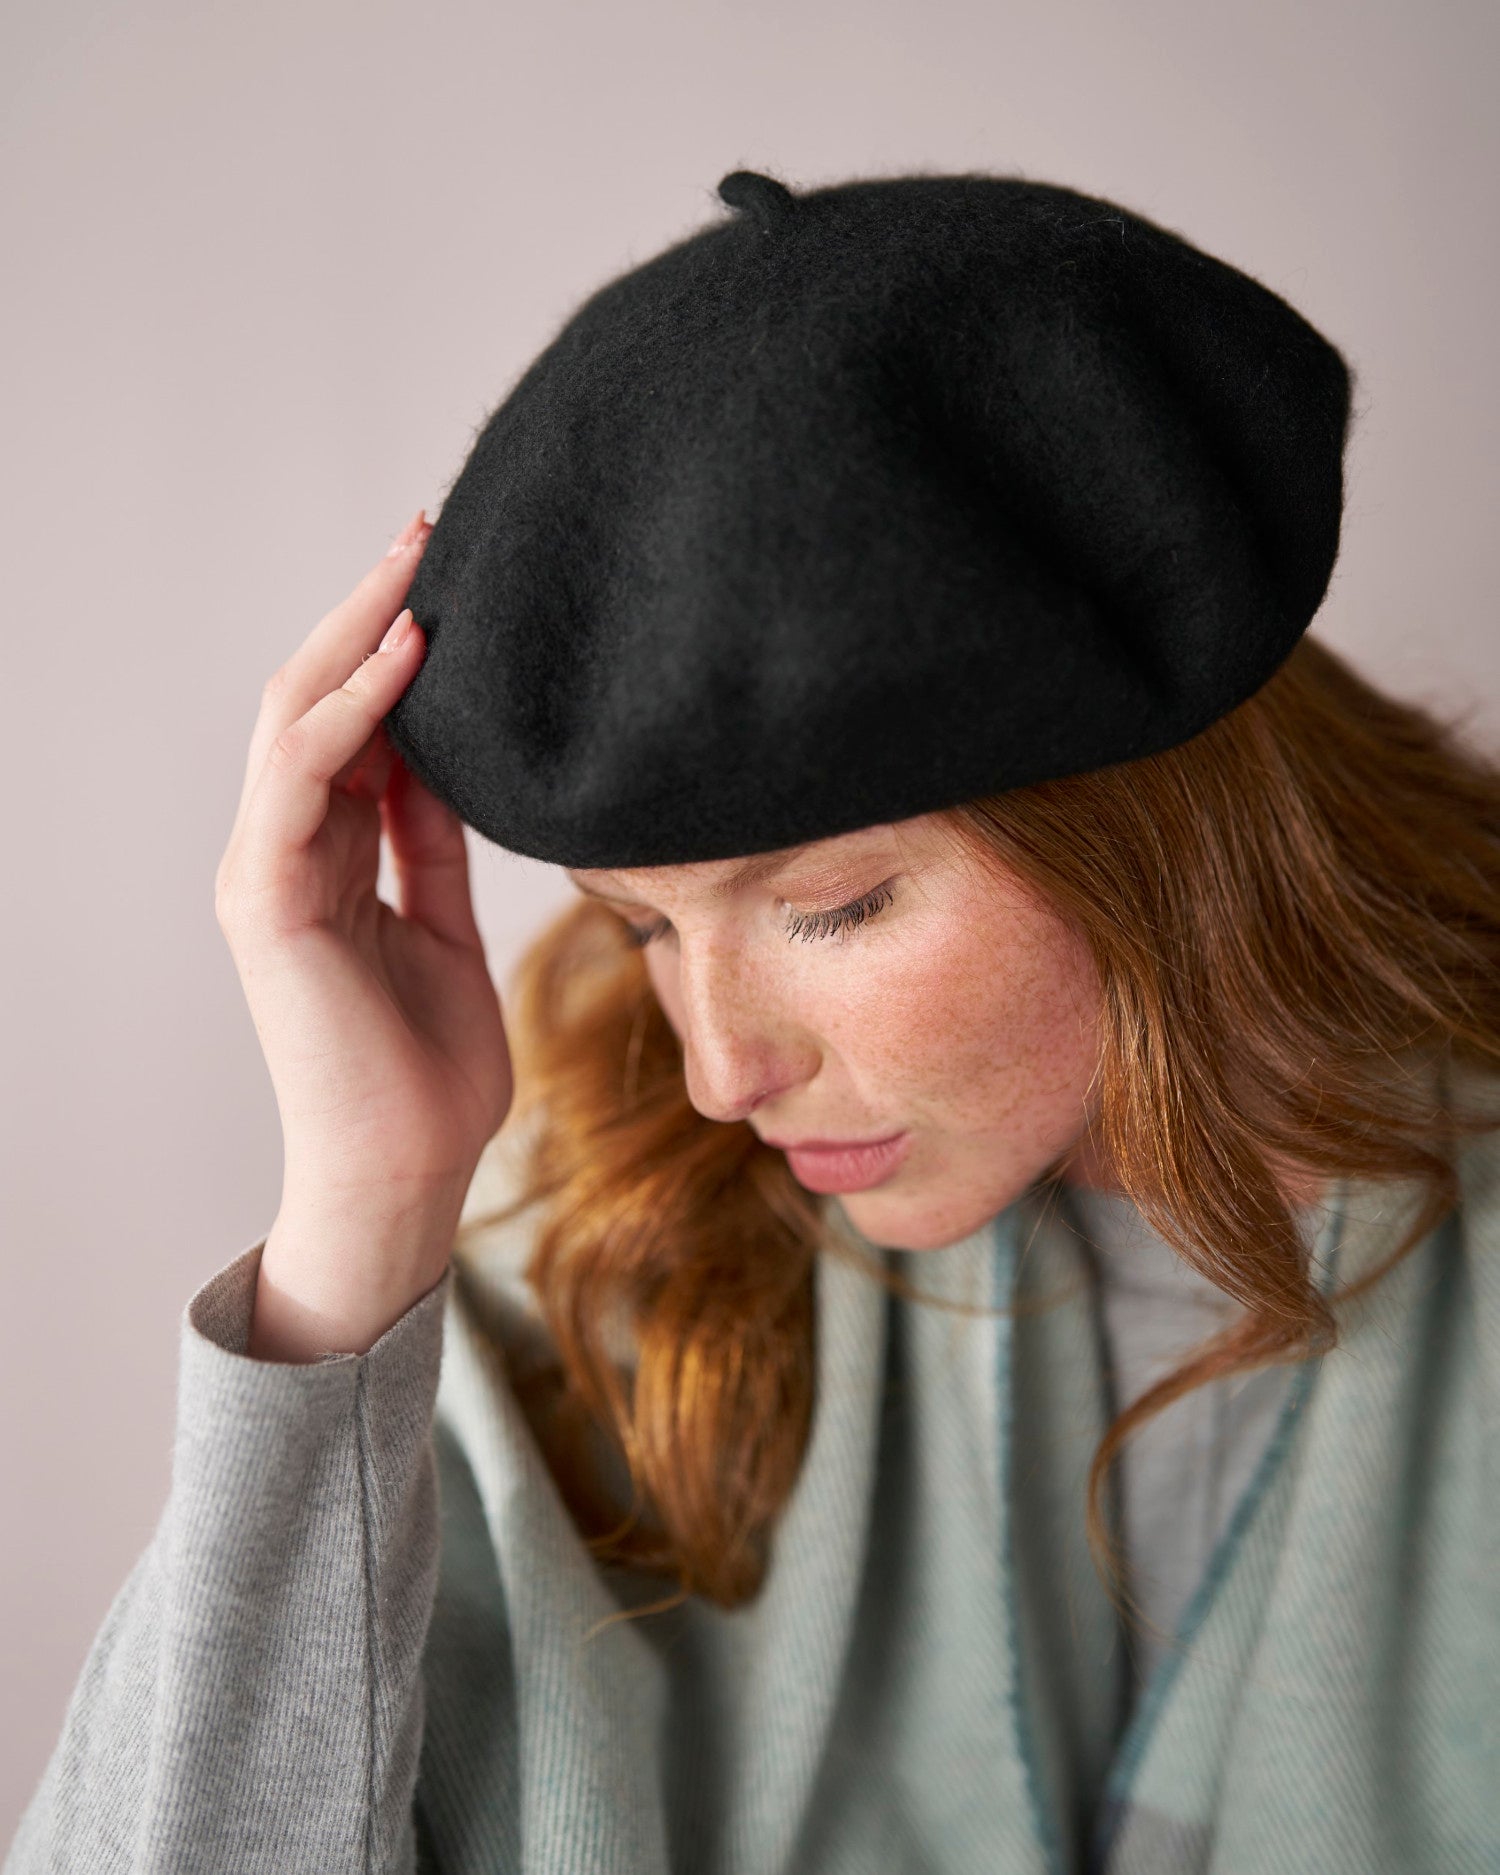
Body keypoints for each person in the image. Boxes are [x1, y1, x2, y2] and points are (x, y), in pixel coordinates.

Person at [8, 173, 1500, 1875]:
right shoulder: (604, 1248)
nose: (720, 1074)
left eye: (834, 905)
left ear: (1161, 823)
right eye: (639, 924)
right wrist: (361, 1221)